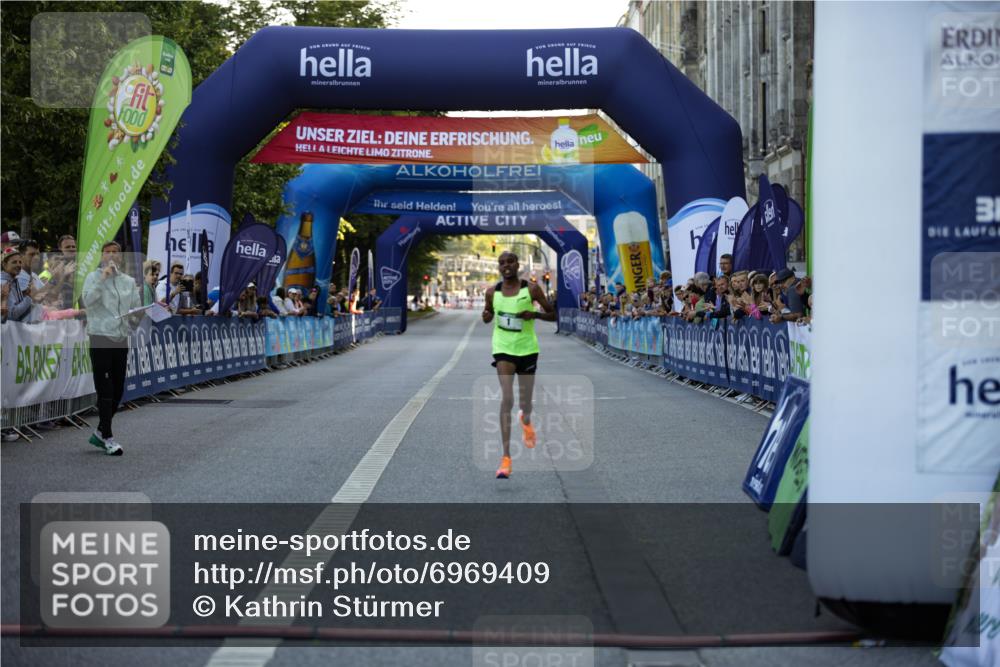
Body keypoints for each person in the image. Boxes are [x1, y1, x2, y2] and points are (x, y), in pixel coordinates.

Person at [481, 251, 556, 479]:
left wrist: (534, 314)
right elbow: (488, 314)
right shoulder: (492, 292)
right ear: (499, 267)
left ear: (517, 264)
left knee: (525, 403)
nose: (506, 266)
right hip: (503, 349)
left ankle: (526, 419)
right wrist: (486, 316)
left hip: (528, 349)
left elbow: (553, 315)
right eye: (502, 263)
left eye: (510, 262)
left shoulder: (531, 289)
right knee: (507, 399)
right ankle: (505, 458)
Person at [80, 241, 141, 456]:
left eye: (116, 252)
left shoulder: (128, 281)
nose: (112, 255)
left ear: (121, 257)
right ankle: (108, 436)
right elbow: (87, 301)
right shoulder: (93, 277)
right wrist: (102, 279)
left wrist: (142, 312)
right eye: (108, 252)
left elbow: (135, 308)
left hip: (120, 338)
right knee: (105, 388)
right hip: (100, 336)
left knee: (118, 389)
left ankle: (100, 431)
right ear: (102, 256)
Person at [1, 246, 34, 323]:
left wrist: (26, 295)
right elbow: (12, 315)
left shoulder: (12, 280)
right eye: (14, 262)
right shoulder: (3, 283)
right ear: (4, 265)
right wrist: (29, 297)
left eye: (20, 262)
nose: (18, 265)